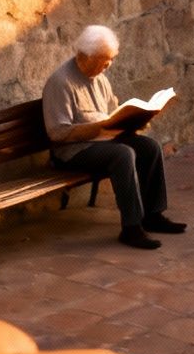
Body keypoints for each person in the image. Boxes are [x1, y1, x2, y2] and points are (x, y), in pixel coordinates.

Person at [42, 25, 186, 250]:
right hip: (74, 151)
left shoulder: (99, 78)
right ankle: (131, 228)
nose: (108, 65)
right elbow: (57, 132)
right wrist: (99, 128)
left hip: (104, 140)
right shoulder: (60, 82)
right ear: (85, 56)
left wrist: (133, 122)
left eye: (111, 60)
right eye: (104, 60)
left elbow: (113, 111)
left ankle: (153, 215)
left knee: (149, 147)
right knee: (123, 154)